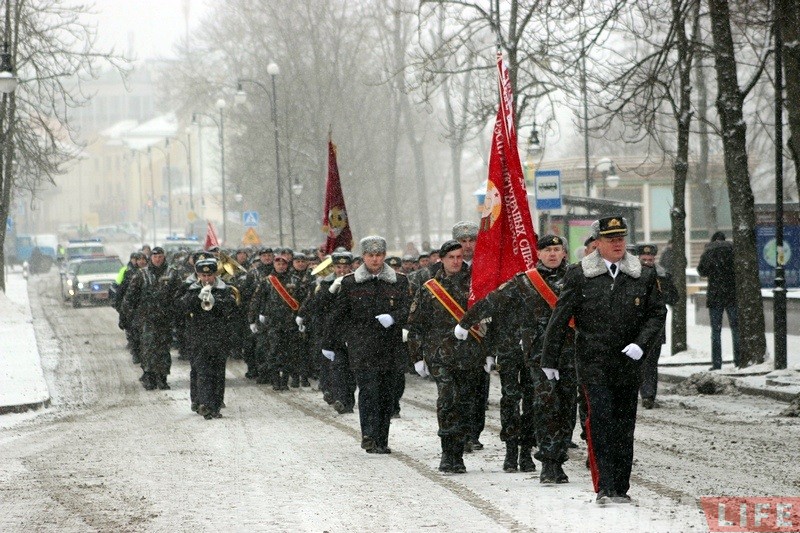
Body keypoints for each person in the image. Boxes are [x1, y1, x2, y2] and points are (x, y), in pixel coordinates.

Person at [542, 216, 666, 505]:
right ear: (597, 243)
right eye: (611, 239)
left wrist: (641, 344)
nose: (618, 243)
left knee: (624, 424)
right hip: (593, 361)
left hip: (628, 362)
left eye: (621, 238)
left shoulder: (643, 275)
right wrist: (550, 358)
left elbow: (657, 314)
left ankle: (620, 488)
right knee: (600, 422)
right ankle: (604, 487)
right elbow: (560, 318)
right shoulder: (579, 274)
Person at [324, 235, 410, 454]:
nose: (375, 259)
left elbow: (408, 308)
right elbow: (338, 315)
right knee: (369, 391)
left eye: (379, 255)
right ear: (363, 257)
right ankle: (369, 435)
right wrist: (330, 342)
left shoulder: (398, 281)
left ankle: (383, 438)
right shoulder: (351, 283)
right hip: (363, 347)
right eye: (371, 255)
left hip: (390, 347)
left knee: (387, 394)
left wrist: (393, 317)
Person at [407, 240, 482, 473]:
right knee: (447, 400)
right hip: (440, 355)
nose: (456, 261)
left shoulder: (475, 284)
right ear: (442, 259)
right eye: (451, 257)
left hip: (470, 355)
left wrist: (491, 352)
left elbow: (489, 317)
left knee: (466, 404)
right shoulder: (430, 287)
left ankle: (459, 453)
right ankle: (448, 453)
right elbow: (415, 325)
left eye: (459, 257)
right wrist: (416, 356)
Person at [180, 257, 237, 419]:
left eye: (209, 276)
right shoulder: (191, 289)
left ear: (215, 275)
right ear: (198, 275)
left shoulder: (224, 289)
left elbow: (231, 308)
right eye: (203, 276)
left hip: (219, 337)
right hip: (198, 337)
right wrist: (196, 298)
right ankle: (204, 403)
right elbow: (181, 307)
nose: (206, 279)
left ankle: (216, 405)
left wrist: (215, 301)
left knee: (218, 372)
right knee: (202, 371)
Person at [122, 246, 183, 390]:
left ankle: (162, 377)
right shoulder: (142, 274)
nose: (158, 259)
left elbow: (180, 294)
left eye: (160, 256)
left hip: (165, 318)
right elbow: (130, 296)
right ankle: (149, 376)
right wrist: (129, 316)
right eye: (155, 256)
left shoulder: (172, 273)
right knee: (148, 348)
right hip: (147, 318)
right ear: (151, 258)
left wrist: (176, 311)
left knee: (163, 349)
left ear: (164, 257)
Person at [249, 249, 308, 390]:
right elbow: (256, 301)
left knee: (289, 352)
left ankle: (285, 380)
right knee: (273, 351)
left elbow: (304, 300)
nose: (281, 266)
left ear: (287, 265)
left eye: (284, 264)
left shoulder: (296, 281)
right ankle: (275, 379)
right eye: (278, 263)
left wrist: (302, 317)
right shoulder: (267, 282)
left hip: (290, 321)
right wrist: (252, 319)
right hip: (272, 322)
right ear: (274, 265)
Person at [636, 244, 678, 408]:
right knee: (636, 362)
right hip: (635, 326)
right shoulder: (630, 275)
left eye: (650, 259)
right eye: (644, 259)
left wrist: (664, 291)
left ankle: (648, 395)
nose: (647, 262)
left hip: (655, 326)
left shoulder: (662, 276)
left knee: (651, 362)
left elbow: (674, 298)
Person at [697, 231, 740, 369]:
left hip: (715, 295)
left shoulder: (709, 251)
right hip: (731, 294)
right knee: (736, 329)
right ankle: (738, 360)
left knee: (716, 331)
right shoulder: (733, 250)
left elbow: (701, 271)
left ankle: (717, 363)